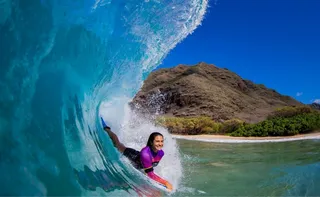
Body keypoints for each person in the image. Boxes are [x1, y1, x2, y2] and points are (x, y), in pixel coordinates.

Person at [101, 117, 173, 191]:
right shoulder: (145, 154)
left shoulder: (161, 153)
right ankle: (107, 129)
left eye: (161, 141)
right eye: (157, 141)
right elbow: (150, 173)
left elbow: (150, 166)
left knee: (121, 145)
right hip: (133, 156)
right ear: (151, 142)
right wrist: (166, 182)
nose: (160, 144)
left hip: (140, 161)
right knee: (117, 144)